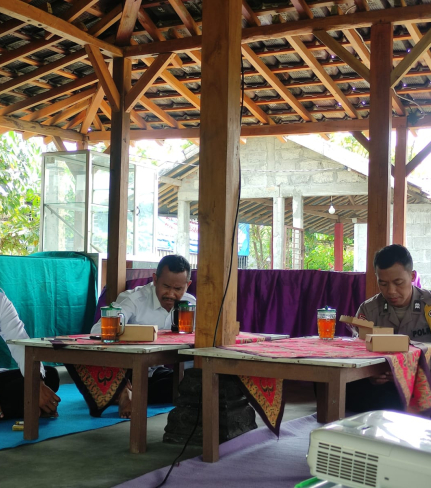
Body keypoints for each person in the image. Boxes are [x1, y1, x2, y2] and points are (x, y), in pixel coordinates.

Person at [68, 254, 195, 418]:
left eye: (178, 289)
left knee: (185, 386)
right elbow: (98, 330)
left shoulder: (190, 305)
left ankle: (122, 393)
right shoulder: (134, 300)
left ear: (187, 285)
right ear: (155, 279)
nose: (170, 294)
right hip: (126, 372)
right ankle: (121, 389)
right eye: (166, 286)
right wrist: (130, 331)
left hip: (154, 372)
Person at [346, 244, 431, 412]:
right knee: (333, 386)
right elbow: (357, 352)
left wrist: (409, 372)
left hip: (423, 381)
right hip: (384, 384)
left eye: (398, 282)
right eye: (383, 283)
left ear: (412, 276)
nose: (391, 291)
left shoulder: (428, 305)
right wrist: (371, 373)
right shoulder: (368, 310)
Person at [0, 291, 60, 420]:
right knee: (28, 392)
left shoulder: (1, 301)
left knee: (49, 376)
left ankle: (14, 407)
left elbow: (20, 344)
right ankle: (28, 406)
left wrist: (36, 383)